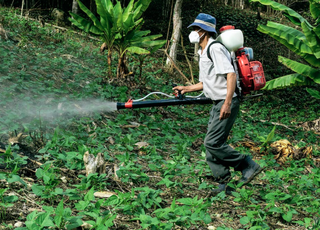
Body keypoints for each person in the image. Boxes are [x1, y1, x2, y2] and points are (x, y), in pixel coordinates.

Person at [173, 13, 262, 195]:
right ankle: (223, 184)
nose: (193, 32)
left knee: (212, 142)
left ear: (204, 32)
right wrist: (186, 88)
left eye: (196, 29)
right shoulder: (202, 52)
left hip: (226, 101)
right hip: (217, 102)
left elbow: (231, 75)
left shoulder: (215, 49)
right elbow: (206, 82)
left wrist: (227, 103)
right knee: (212, 144)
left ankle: (247, 164)